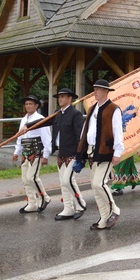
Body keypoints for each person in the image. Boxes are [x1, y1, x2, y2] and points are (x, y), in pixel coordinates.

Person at [75, 79, 123, 230]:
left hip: (106, 151)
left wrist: (118, 152)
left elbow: (118, 131)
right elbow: (86, 131)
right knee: (95, 187)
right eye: (94, 89)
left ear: (106, 92)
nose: (95, 92)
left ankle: (114, 210)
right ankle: (103, 218)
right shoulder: (92, 108)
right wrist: (81, 151)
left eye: (98, 89)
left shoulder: (113, 109)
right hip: (92, 151)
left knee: (99, 183)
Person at [50, 87, 87, 221]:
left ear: (70, 99)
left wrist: (80, 154)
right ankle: (68, 208)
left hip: (72, 153)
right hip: (61, 153)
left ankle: (81, 203)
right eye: (59, 96)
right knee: (62, 182)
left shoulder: (75, 114)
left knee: (68, 180)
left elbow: (80, 136)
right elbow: (44, 122)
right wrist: (28, 126)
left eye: (63, 96)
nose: (60, 99)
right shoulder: (57, 113)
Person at [12, 95, 52, 213]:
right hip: (25, 152)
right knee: (25, 179)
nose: (28, 106)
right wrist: (16, 152)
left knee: (32, 177)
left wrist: (46, 155)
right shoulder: (24, 120)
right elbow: (20, 136)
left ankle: (45, 197)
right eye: (26, 104)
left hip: (36, 152)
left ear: (36, 106)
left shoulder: (41, 119)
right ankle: (32, 203)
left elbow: (46, 138)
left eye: (31, 104)